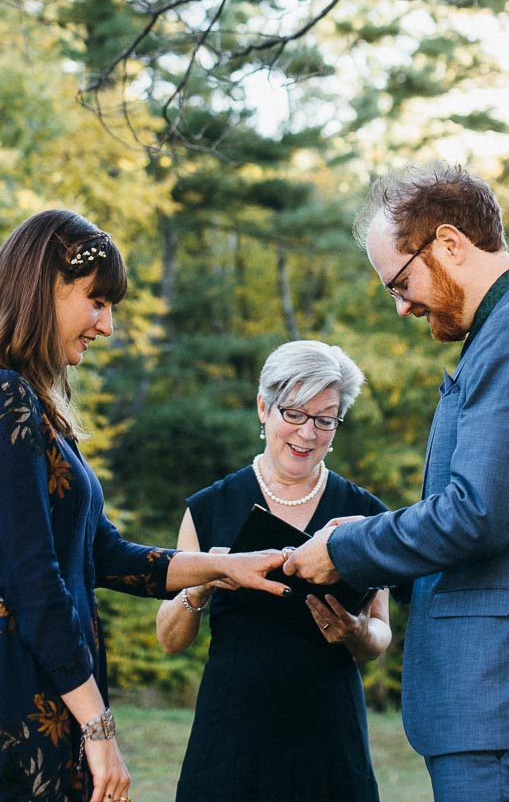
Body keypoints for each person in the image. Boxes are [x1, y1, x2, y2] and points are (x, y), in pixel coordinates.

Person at [0, 210, 289, 802]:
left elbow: (104, 555)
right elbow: (30, 578)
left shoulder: (35, 407)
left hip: (42, 675)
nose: (107, 325)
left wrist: (222, 566)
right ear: (43, 289)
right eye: (97, 301)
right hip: (4, 674)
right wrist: (98, 727)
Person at [284, 165, 509, 802]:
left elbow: (477, 514)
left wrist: (345, 548)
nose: (402, 305)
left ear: (448, 244)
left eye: (402, 281)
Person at [156, 340, 393, 802]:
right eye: (295, 414)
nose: (308, 434)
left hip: (329, 735)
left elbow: (379, 635)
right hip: (232, 736)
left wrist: (355, 632)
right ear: (264, 408)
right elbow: (169, 639)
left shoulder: (363, 514)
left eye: (325, 420)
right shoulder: (209, 509)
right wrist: (202, 583)